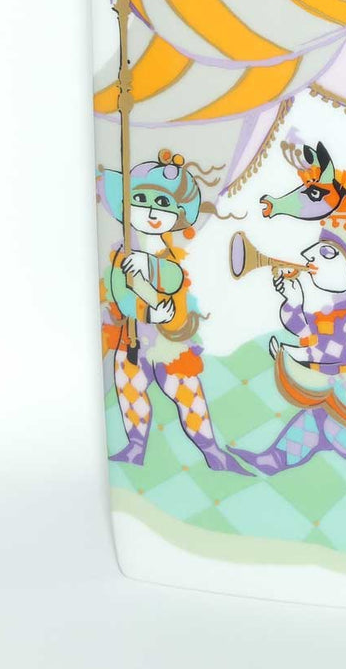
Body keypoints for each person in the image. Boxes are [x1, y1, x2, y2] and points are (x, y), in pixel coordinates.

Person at [98, 149, 248, 473]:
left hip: (169, 342)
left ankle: (211, 451)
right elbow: (121, 293)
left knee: (186, 393)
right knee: (130, 389)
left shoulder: (166, 256)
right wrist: (146, 312)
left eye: (163, 203)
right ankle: (135, 447)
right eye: (140, 200)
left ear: (178, 214)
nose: (152, 211)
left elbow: (175, 278)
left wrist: (149, 266)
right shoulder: (122, 253)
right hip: (133, 338)